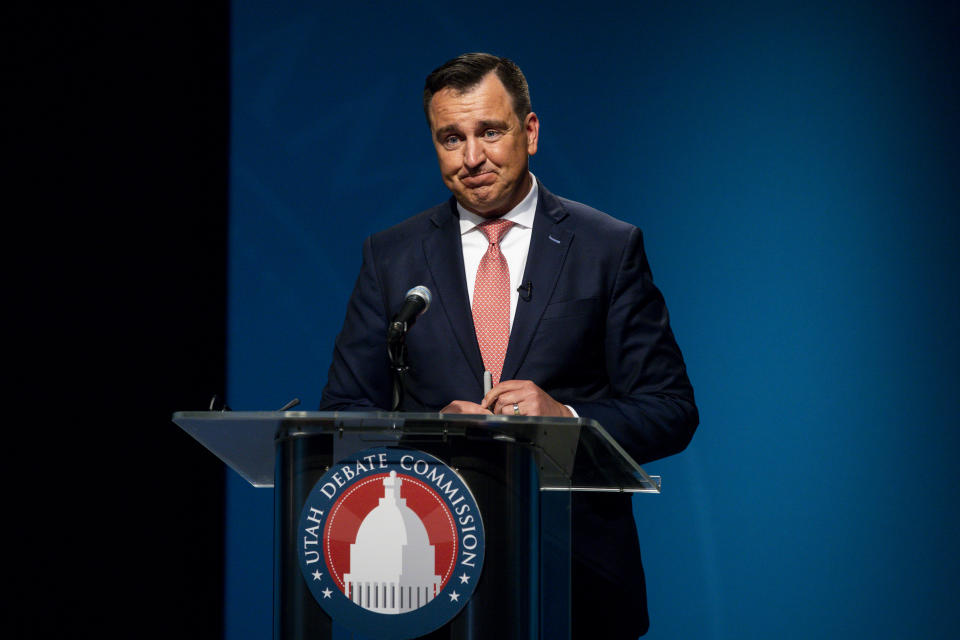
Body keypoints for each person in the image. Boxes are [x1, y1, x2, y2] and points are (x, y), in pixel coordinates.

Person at [320, 52, 698, 638]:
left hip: (577, 578)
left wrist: (566, 421)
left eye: (490, 132)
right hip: (428, 577)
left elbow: (670, 409)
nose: (472, 158)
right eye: (451, 138)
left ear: (530, 131)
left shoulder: (607, 247)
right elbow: (342, 414)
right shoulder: (389, 256)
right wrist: (429, 433)